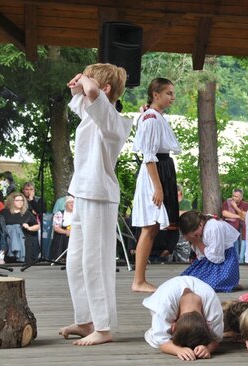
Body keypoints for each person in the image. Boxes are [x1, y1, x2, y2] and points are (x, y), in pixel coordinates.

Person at [59, 63, 133, 346]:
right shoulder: (92, 115)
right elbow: (80, 94)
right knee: (75, 261)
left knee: (96, 262)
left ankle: (102, 327)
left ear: (105, 91)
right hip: (83, 192)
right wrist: (78, 82)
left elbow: (89, 91)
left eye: (94, 85)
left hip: (100, 196)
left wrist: (86, 80)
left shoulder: (111, 119)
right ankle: (84, 319)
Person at [130, 78, 181, 293]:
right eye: (168, 93)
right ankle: (138, 280)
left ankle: (140, 278)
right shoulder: (150, 118)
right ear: (155, 94)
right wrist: (158, 187)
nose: (172, 97)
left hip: (163, 168)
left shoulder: (156, 117)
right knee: (149, 227)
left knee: (152, 228)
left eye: (172, 93)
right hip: (155, 172)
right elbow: (149, 156)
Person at [142, 275, 223, 360]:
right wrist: (178, 350)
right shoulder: (164, 306)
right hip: (162, 296)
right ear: (172, 326)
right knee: (154, 341)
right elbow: (160, 340)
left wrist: (207, 348)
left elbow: (216, 339)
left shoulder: (213, 309)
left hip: (191, 291)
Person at [178, 211, 240, 293]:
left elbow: (217, 257)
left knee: (207, 285)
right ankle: (230, 284)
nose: (196, 236)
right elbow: (201, 255)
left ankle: (230, 283)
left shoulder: (213, 227)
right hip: (208, 258)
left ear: (200, 225)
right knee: (188, 281)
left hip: (225, 261)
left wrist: (197, 242)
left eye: (195, 234)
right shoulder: (201, 225)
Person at [0, 192, 40, 263]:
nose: (20, 202)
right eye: (17, 200)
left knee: (24, 262)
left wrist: (29, 228)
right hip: (9, 242)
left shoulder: (26, 213)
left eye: (22, 200)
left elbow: (37, 226)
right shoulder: (4, 212)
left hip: (25, 242)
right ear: (11, 201)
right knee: (11, 262)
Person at [222, 188, 248, 263]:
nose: (233, 198)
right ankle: (234, 261)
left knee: (240, 245)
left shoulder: (245, 204)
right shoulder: (227, 202)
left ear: (241, 198)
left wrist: (235, 207)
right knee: (234, 245)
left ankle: (239, 261)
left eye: (236, 196)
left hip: (242, 230)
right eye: (233, 196)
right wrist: (239, 216)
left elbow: (246, 215)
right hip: (230, 229)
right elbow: (224, 213)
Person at [49, 196, 74, 261]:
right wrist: (66, 232)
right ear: (65, 204)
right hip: (62, 237)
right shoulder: (59, 214)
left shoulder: (77, 214)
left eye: (73, 202)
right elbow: (56, 228)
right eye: (70, 202)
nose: (72, 204)